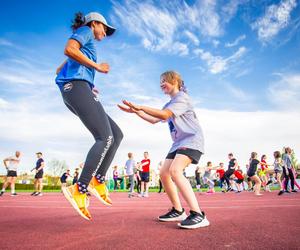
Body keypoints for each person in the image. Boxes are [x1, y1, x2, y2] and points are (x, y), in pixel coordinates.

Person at [118, 70, 209, 229]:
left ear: (174, 81)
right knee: (164, 173)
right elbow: (155, 119)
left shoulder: (182, 98)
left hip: (192, 139)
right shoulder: (170, 103)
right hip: (178, 142)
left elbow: (164, 115)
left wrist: (141, 106)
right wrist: (136, 111)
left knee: (175, 171)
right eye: (160, 81)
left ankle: (198, 214)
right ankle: (178, 210)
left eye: (164, 80)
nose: (161, 84)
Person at [55, 11, 123, 220]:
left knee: (117, 135)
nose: (105, 32)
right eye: (104, 28)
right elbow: (69, 49)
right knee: (105, 137)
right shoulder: (85, 31)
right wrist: (96, 68)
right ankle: (80, 188)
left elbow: (60, 69)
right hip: (75, 88)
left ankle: (98, 179)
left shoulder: (86, 40)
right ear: (94, 24)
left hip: (77, 88)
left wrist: (86, 83)